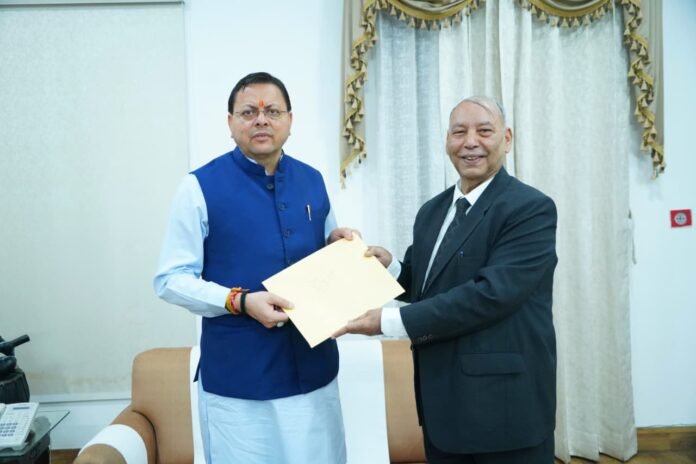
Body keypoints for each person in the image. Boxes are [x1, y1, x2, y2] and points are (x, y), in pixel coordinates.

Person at [335, 96, 558, 463]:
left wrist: (388, 322)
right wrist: (391, 268)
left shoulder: (529, 208)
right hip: (442, 406)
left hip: (503, 410)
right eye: (458, 132)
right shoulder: (433, 211)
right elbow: (428, 285)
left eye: (484, 131)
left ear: (507, 139)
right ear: (447, 141)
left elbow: (491, 295)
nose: (470, 142)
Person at [154, 71, 351, 464]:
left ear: (290, 120)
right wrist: (240, 301)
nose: (261, 120)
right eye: (249, 112)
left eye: (272, 111)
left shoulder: (313, 180)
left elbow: (325, 254)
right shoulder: (198, 187)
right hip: (239, 385)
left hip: (314, 373)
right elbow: (170, 280)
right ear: (230, 123)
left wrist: (339, 247)